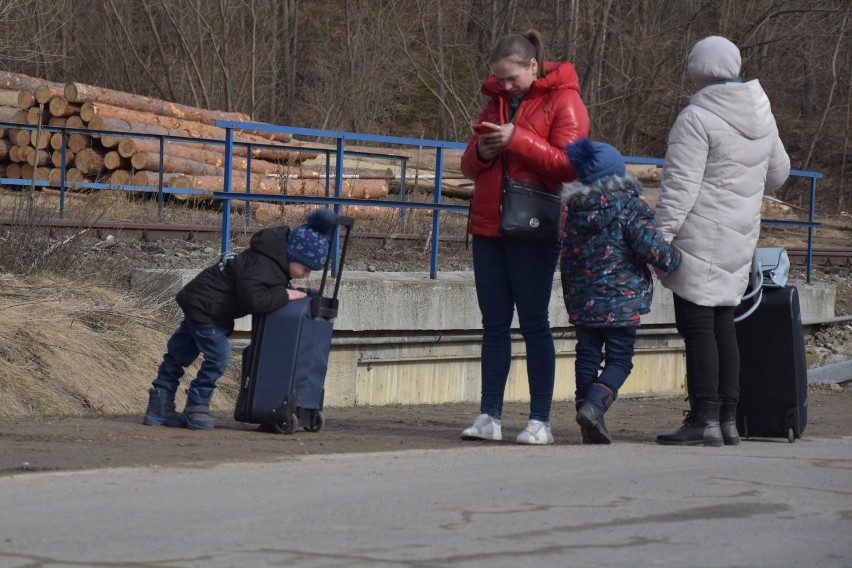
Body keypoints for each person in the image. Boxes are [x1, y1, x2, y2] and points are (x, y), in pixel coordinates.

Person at [654, 36, 790, 446]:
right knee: (724, 326)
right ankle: (728, 420)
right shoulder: (761, 113)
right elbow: (779, 174)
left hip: (698, 237)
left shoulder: (696, 118)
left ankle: (703, 418)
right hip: (739, 236)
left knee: (697, 327)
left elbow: (679, 188)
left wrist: (657, 240)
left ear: (697, 72)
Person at [459, 30, 590, 444]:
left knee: (534, 323)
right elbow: (468, 165)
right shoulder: (495, 101)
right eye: (500, 79)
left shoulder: (565, 100)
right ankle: (489, 416)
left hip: (534, 227)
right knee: (493, 324)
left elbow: (570, 165)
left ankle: (540, 421)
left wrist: (518, 139)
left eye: (512, 78)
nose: (506, 86)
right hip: (488, 225)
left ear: (532, 66)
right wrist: (484, 151)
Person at [143, 208, 337, 430]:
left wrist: (284, 288)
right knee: (219, 357)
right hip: (208, 310)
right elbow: (253, 300)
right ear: (293, 255)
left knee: (178, 354)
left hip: (201, 302)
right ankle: (196, 407)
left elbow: (261, 286)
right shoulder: (263, 265)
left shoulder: (268, 260)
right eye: (305, 268)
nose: (306, 274)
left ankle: (159, 405)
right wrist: (284, 294)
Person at [561, 138, 682, 444]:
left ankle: (586, 414)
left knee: (587, 355)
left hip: (582, 300)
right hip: (621, 302)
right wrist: (675, 258)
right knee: (620, 359)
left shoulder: (574, 212)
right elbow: (652, 249)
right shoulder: (630, 207)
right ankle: (594, 405)